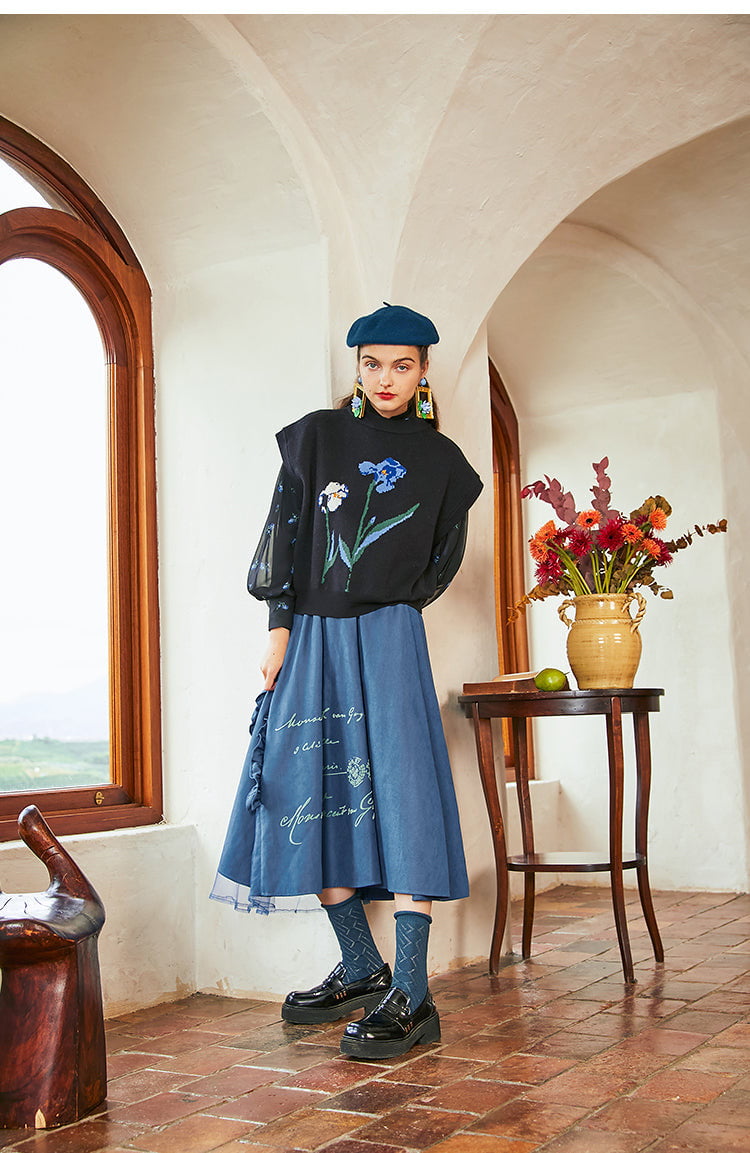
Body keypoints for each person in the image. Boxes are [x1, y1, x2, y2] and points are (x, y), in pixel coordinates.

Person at [211, 303, 483, 1060]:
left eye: (402, 365)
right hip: (313, 636)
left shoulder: (444, 463)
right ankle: (362, 965)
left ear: (423, 371)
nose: (386, 379)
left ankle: (413, 992)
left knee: (403, 795)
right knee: (310, 786)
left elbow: (440, 562)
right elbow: (286, 529)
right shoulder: (316, 437)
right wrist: (280, 627)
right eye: (372, 364)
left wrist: (386, 606)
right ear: (356, 367)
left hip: (390, 641)